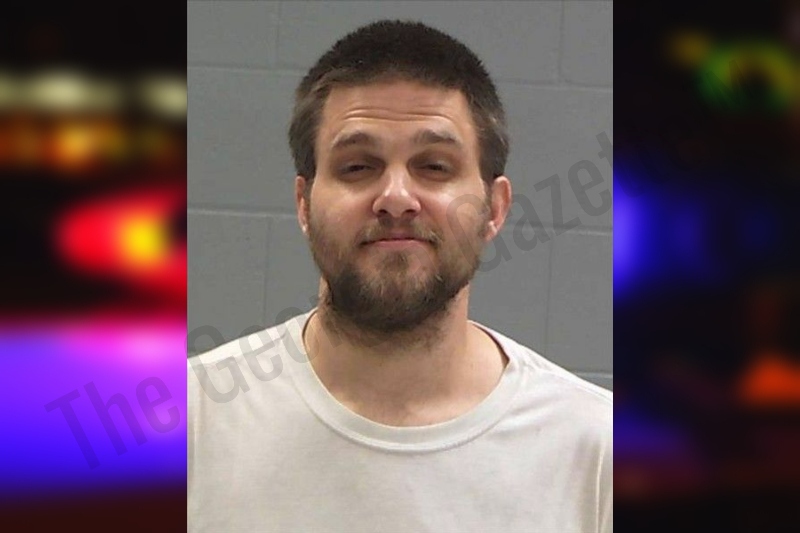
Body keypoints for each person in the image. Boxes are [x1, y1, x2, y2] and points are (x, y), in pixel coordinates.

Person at [188, 20, 612, 533]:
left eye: (434, 167)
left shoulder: (597, 454)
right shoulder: (188, 425)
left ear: (495, 209)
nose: (395, 198)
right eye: (357, 167)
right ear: (303, 205)